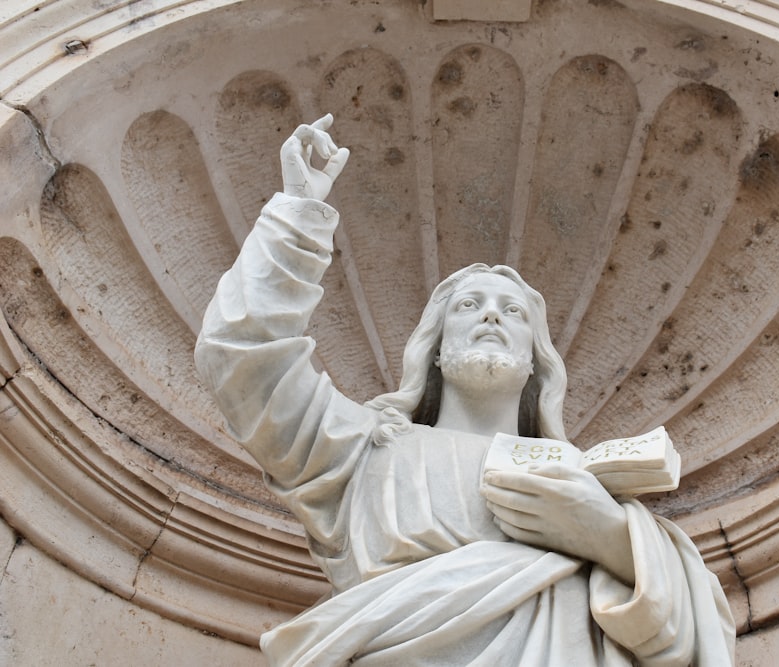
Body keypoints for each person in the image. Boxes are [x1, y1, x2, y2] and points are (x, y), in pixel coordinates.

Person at [195, 115, 735, 666]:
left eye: (514, 312)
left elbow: (695, 639)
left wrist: (609, 536)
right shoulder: (363, 450)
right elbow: (241, 359)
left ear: (535, 362)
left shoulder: (586, 479)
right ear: (433, 346)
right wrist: (296, 220)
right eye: (469, 306)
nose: (492, 317)